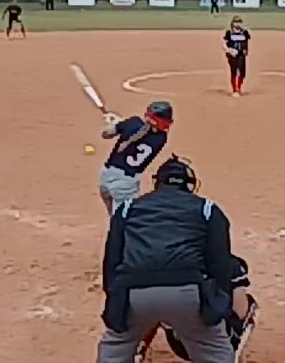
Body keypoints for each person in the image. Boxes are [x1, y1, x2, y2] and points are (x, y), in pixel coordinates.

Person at [97, 155, 238, 363]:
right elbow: (219, 264)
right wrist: (216, 306)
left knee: (115, 346)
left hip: (133, 292)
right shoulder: (207, 209)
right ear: (189, 184)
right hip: (187, 292)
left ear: (158, 182)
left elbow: (112, 260)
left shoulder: (127, 209)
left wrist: (116, 302)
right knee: (214, 351)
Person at [136, 255, 260, 362]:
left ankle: (137, 349)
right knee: (245, 301)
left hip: (179, 341)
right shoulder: (228, 262)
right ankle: (231, 350)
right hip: (217, 342)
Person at [98, 101, 173, 214]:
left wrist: (114, 124)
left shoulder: (132, 123)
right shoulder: (161, 138)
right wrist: (120, 122)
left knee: (114, 216)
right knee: (127, 219)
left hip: (106, 176)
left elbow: (106, 134)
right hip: (125, 185)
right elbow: (139, 132)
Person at [223, 16, 250, 97]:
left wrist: (246, 50)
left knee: (242, 73)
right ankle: (235, 89)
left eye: (239, 22)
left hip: (241, 55)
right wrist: (230, 51)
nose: (238, 24)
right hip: (233, 55)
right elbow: (224, 45)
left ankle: (239, 87)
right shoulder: (229, 33)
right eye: (236, 22)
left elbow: (246, 43)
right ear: (233, 23)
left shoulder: (244, 32)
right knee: (234, 71)